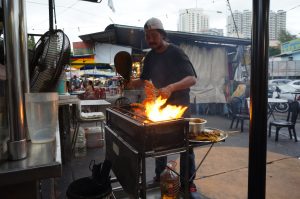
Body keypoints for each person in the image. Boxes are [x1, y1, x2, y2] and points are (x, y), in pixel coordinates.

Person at [127, 17, 198, 192]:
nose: (150, 40)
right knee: (160, 144)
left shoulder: (176, 52)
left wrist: (171, 87)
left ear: (162, 34)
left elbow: (192, 79)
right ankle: (160, 176)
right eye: (147, 36)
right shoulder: (150, 57)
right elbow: (144, 80)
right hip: (161, 106)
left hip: (180, 105)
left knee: (185, 146)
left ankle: (188, 183)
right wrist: (130, 82)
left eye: (153, 35)